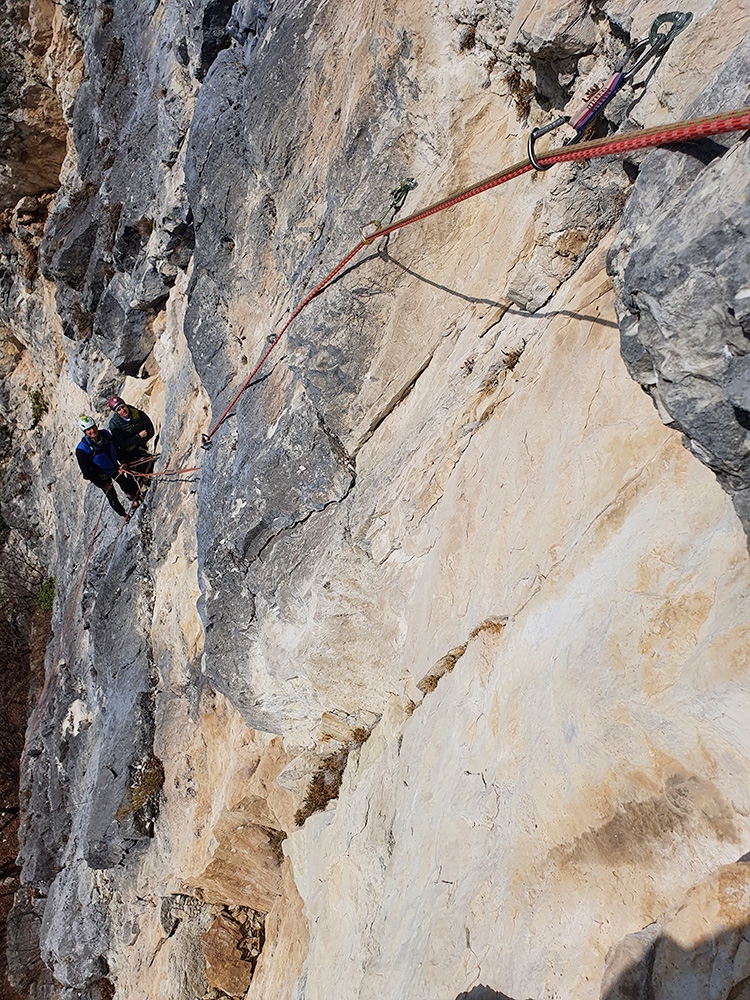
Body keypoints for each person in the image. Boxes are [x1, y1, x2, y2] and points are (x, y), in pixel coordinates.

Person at [75, 416, 142, 518]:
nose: (92, 430)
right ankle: (124, 515)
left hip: (114, 467)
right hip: (100, 474)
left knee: (125, 483)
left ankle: (134, 499)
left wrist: (123, 462)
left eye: (93, 427)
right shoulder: (82, 450)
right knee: (112, 496)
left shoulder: (105, 435)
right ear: (84, 432)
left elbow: (117, 449)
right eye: (88, 429)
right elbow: (86, 472)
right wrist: (101, 484)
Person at [106, 396, 155, 478]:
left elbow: (150, 431)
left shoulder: (138, 414)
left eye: (122, 407)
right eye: (119, 410)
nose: (122, 410)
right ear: (117, 413)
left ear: (125, 405)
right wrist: (139, 436)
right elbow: (123, 444)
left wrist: (135, 444)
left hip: (141, 447)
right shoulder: (114, 425)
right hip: (127, 453)